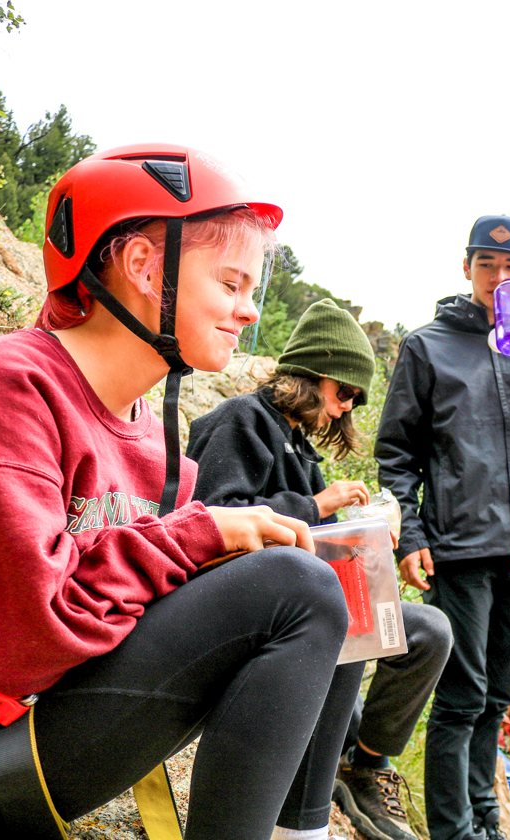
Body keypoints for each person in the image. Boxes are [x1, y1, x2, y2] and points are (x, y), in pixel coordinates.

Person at [0, 144, 358, 840]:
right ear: (141, 266)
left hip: (46, 727)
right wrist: (198, 537)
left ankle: (301, 828)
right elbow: (18, 647)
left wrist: (207, 564)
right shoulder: (6, 382)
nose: (247, 312)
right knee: (298, 586)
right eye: (231, 284)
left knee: (326, 582)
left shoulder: (163, 449)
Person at [187, 299, 455, 840]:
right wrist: (320, 504)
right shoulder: (241, 421)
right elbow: (214, 520)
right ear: (312, 375)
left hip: (300, 597)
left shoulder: (297, 445)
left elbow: (310, 543)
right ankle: (301, 824)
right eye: (344, 392)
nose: (345, 408)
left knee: (431, 631)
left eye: (355, 399)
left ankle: (365, 763)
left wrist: (371, 549)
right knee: (348, 614)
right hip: (239, 608)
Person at [375, 214, 510, 840]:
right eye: (488, 265)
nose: (500, 276)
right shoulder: (427, 346)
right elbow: (396, 454)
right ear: (466, 267)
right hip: (459, 549)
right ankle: (453, 829)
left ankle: (486, 816)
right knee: (461, 700)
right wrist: (410, 538)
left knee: (498, 697)